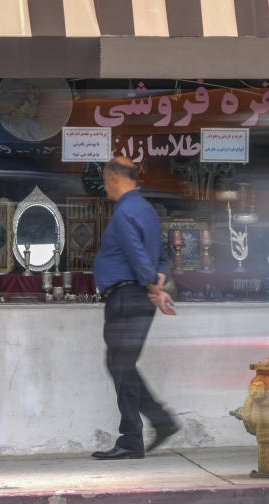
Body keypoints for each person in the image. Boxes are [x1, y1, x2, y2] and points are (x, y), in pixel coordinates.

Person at [91, 157, 180, 460]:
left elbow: (137, 254)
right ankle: (159, 422)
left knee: (120, 365)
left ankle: (133, 438)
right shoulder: (148, 211)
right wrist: (158, 283)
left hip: (128, 296)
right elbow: (162, 257)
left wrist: (154, 288)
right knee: (121, 364)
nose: (104, 186)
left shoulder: (125, 212)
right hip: (139, 296)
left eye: (105, 179)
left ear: (114, 176)